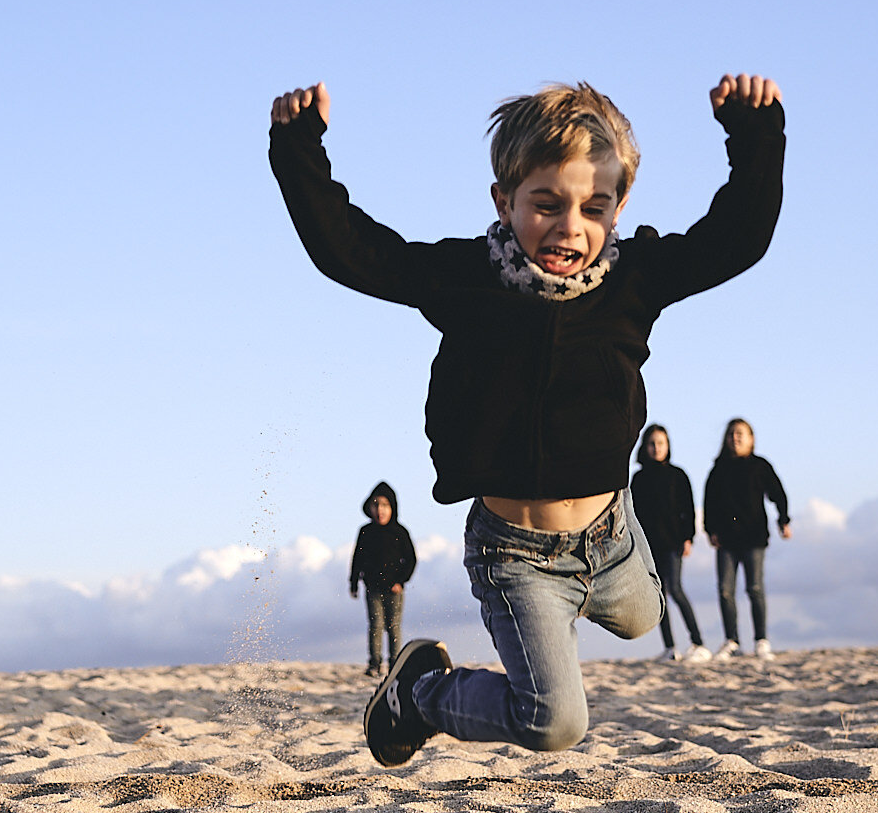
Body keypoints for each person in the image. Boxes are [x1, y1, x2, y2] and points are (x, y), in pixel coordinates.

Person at [269, 73, 786, 765]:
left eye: (594, 206)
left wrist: (754, 131)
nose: (570, 226)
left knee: (643, 617)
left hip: (611, 535)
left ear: (620, 204)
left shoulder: (636, 279)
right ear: (504, 200)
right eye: (546, 203)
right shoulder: (464, 280)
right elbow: (351, 251)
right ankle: (421, 691)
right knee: (552, 723)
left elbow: (739, 237)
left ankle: (601, 594)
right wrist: (299, 144)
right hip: (517, 553)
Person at [702, 418, 790, 662]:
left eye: (741, 434)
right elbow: (709, 501)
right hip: (726, 540)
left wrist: (784, 519)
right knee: (725, 591)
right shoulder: (718, 469)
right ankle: (732, 641)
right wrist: (710, 530)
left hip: (754, 537)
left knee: (755, 588)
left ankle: (761, 640)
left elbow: (777, 493)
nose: (736, 438)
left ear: (751, 439)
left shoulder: (760, 466)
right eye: (731, 434)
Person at [631, 424, 707, 662]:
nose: (656, 448)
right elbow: (632, 514)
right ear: (645, 447)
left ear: (668, 446)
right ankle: (670, 648)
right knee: (658, 595)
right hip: (648, 545)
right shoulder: (638, 478)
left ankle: (698, 643)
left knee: (675, 588)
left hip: (673, 543)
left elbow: (688, 509)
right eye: (652, 443)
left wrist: (688, 538)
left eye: (661, 443)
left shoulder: (678, 475)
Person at [349, 481, 418, 676]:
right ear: (369, 507)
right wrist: (353, 583)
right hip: (372, 588)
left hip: (394, 589)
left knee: (393, 626)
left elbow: (411, 560)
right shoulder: (365, 532)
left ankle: (395, 665)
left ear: (392, 507)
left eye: (385, 505)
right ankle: (374, 664)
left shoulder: (400, 532)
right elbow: (357, 558)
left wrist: (401, 581)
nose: (380, 510)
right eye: (376, 504)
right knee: (375, 626)